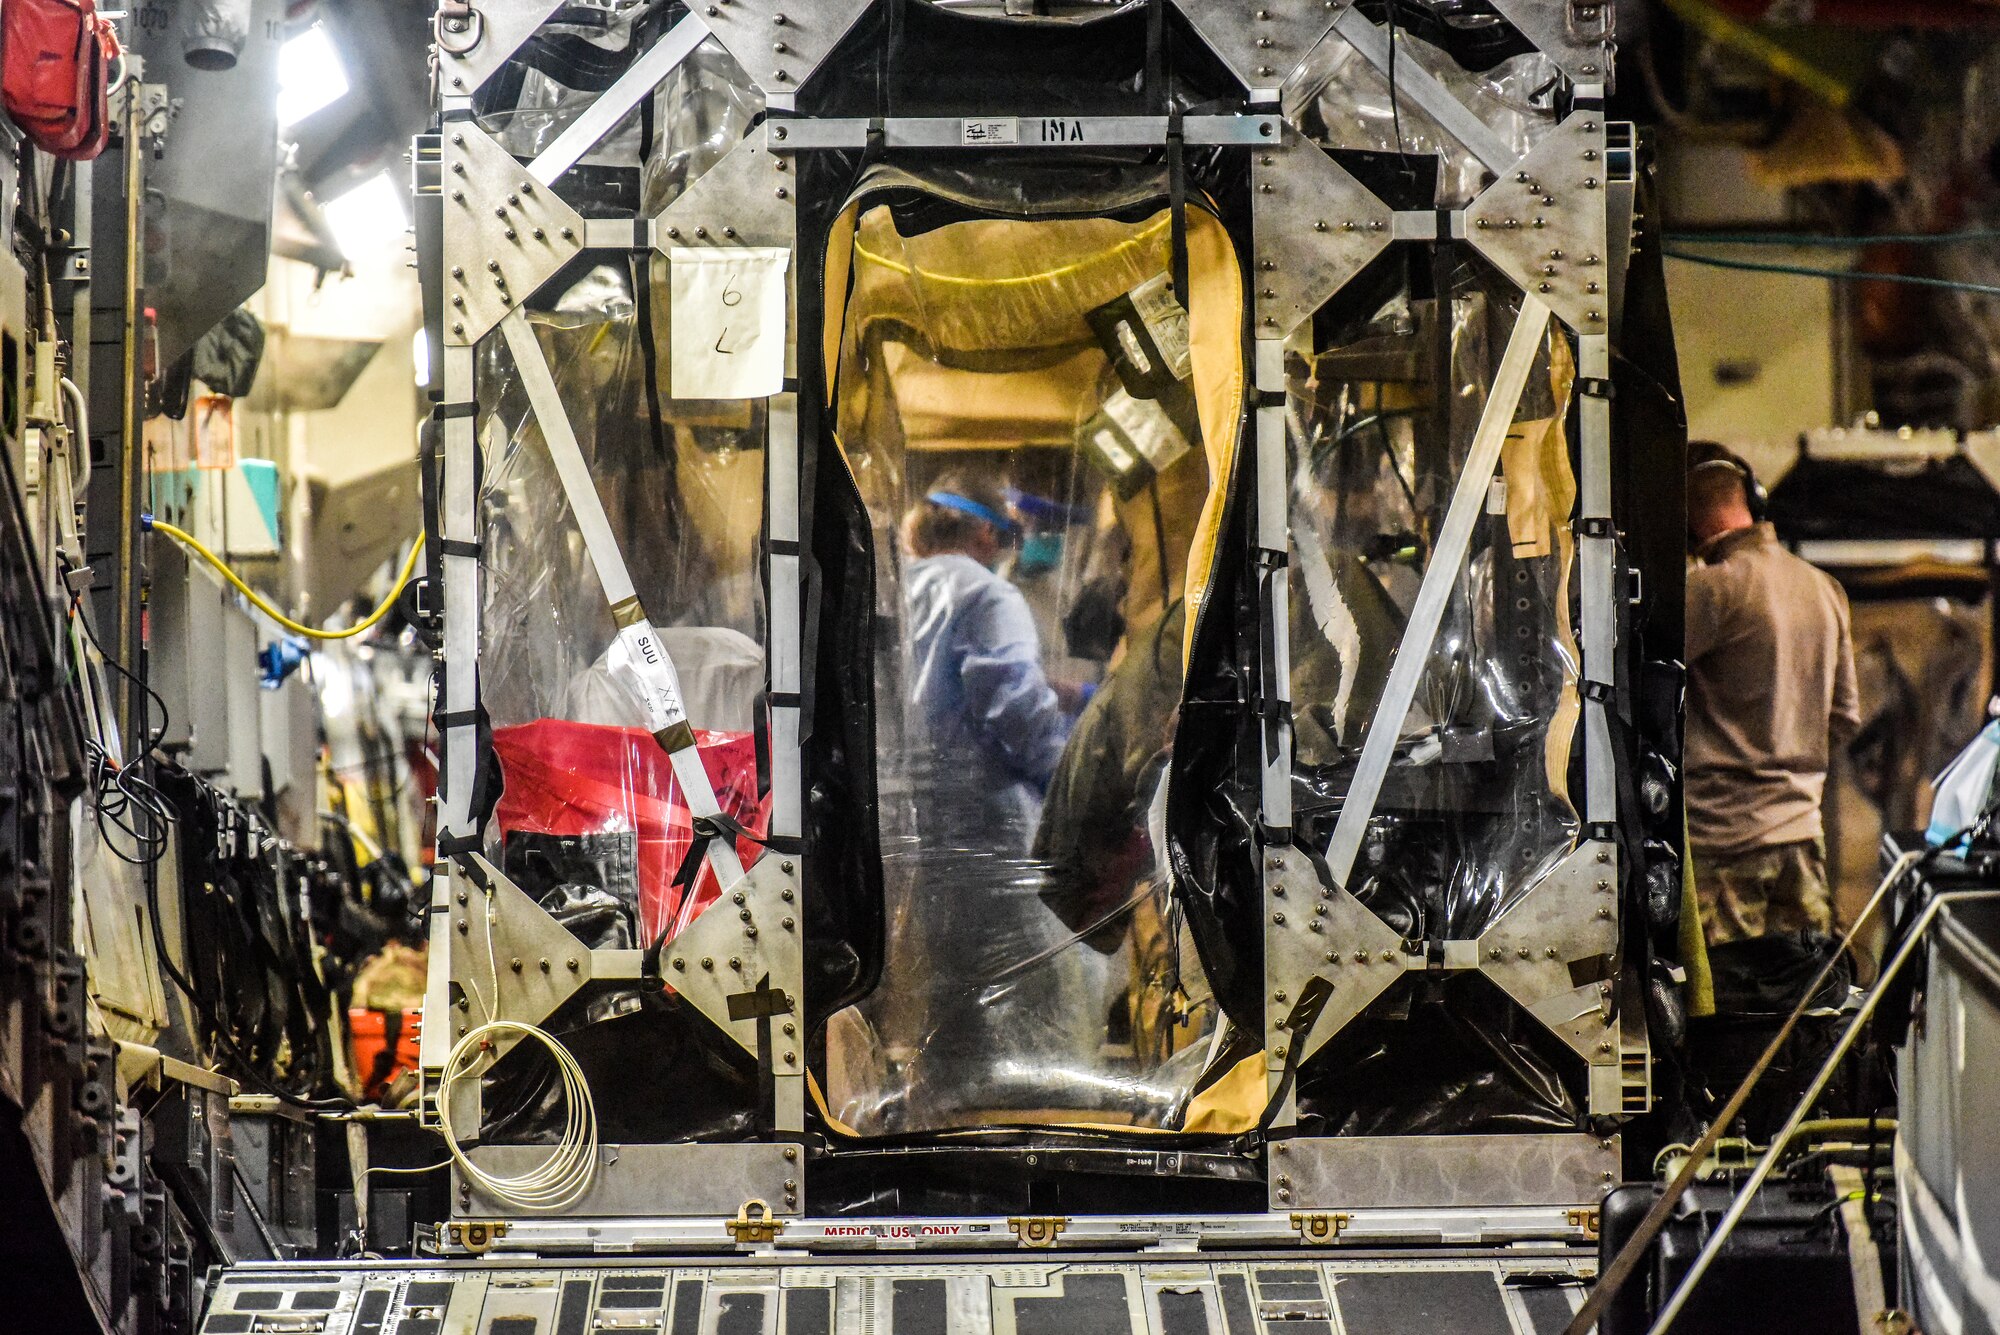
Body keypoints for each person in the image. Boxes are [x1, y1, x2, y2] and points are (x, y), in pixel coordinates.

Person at [1684, 442, 1860, 944]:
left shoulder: (1711, 591)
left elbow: (1642, 692)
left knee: (1733, 1011)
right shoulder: (1824, 588)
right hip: (1802, 838)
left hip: (1723, 846)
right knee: (1803, 999)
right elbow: (1844, 716)